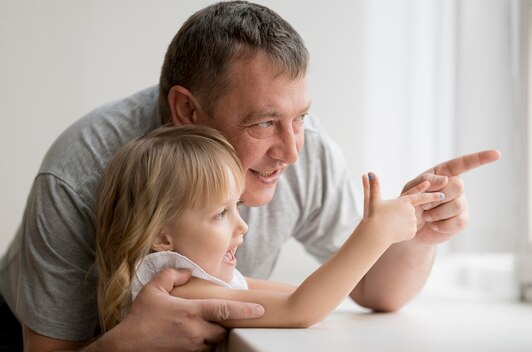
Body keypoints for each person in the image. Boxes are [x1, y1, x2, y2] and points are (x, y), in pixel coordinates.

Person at [0, 1, 500, 351]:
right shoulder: (79, 174)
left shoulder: (304, 146)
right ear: (186, 110)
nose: (292, 150)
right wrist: (123, 346)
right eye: (262, 122)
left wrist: (416, 229)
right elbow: (50, 350)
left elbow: (375, 292)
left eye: (301, 116)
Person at [96, 124, 444, 335]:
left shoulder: (198, 278)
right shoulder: (178, 295)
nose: (242, 225)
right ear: (161, 236)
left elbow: (299, 293)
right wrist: (373, 234)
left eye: (237, 207)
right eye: (221, 213)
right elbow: (300, 308)